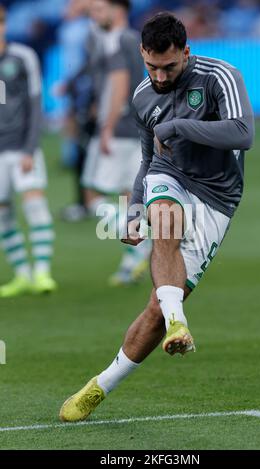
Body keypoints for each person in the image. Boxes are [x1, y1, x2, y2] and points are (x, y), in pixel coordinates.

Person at [59, 12, 254, 422]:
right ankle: (179, 324)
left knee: (155, 309)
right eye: (151, 66)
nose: (160, 77)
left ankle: (101, 384)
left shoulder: (220, 76)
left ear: (186, 51)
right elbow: (148, 161)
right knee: (163, 218)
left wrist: (182, 126)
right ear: (142, 55)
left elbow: (243, 133)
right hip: (172, 176)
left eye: (169, 66)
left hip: (218, 197)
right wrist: (133, 210)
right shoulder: (144, 96)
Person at [80, 0, 151, 285]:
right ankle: (131, 259)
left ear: (117, 10)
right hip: (133, 127)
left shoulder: (118, 39)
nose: (94, 15)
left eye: (99, 9)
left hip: (118, 129)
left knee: (91, 195)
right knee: (127, 195)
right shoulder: (132, 39)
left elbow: (120, 82)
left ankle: (141, 242)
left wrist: (107, 125)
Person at [0, 4, 56, 297]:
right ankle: (22, 274)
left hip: (22, 147)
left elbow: (35, 103)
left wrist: (30, 148)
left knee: (34, 203)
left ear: (4, 24)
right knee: (3, 214)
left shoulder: (22, 57)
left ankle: (42, 272)